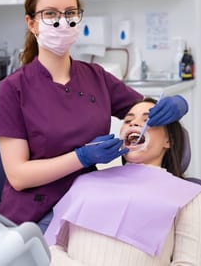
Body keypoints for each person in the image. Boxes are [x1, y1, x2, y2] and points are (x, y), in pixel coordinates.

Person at [0, 0, 188, 233]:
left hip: (87, 199)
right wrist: (81, 157)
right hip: (33, 214)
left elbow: (143, 114)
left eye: (70, 12)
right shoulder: (13, 88)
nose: (62, 21)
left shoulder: (96, 77)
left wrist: (177, 105)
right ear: (32, 23)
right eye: (50, 14)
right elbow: (18, 176)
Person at [45, 97, 201, 266]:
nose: (133, 123)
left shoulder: (187, 195)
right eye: (128, 120)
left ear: (168, 141)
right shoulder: (85, 182)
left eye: (147, 119)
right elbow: (52, 248)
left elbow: (188, 263)